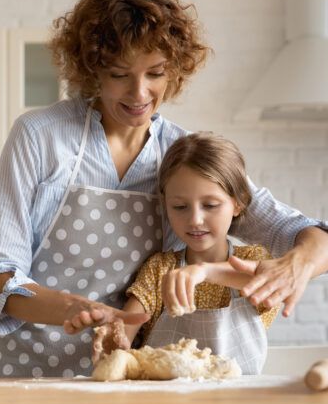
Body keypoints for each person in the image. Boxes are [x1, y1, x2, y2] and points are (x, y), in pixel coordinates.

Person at [0, 0, 328, 378]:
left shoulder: (182, 157)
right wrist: (75, 308)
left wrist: (296, 264)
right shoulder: (40, 137)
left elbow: (310, 234)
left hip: (131, 378)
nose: (140, 93)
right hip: (27, 371)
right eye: (119, 74)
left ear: (174, 69)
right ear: (92, 69)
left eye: (155, 73)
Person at [92, 132, 280, 374]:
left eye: (210, 205)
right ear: (165, 203)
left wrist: (204, 272)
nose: (195, 220)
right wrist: (114, 338)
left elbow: (268, 281)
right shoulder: (160, 270)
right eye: (180, 207)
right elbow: (126, 328)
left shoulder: (254, 260)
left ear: (238, 203)